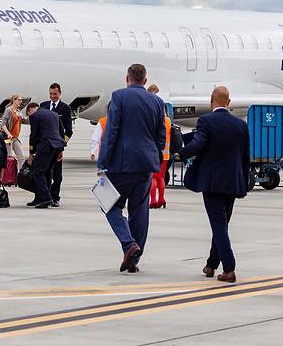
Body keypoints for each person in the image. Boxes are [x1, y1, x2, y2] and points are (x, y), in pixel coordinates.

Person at [97, 64, 166, 273]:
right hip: (145, 165)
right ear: (145, 81)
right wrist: (152, 156)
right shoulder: (157, 101)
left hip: (120, 164)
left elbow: (112, 131)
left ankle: (128, 245)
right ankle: (134, 260)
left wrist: (102, 163)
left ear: (127, 78)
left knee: (108, 205)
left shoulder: (119, 97)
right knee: (140, 212)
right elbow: (160, 136)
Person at [180, 86, 249, 283]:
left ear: (212, 100)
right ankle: (211, 264)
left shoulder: (206, 121)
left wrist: (180, 152)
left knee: (219, 226)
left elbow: (198, 144)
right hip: (233, 182)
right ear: (228, 102)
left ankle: (229, 268)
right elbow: (245, 157)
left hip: (212, 182)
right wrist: (243, 184)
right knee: (222, 225)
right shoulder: (240, 125)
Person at [26, 102, 66, 209]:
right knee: (47, 171)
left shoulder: (34, 116)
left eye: (28, 114)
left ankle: (45, 198)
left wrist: (31, 153)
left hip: (46, 145)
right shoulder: (54, 114)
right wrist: (61, 150)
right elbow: (61, 132)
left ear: (30, 110)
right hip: (57, 145)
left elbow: (33, 135)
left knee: (38, 172)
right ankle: (42, 198)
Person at [40, 83, 73, 206]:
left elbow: (69, 130)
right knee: (43, 173)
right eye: (51, 94)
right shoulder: (43, 106)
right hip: (44, 146)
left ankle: (55, 197)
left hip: (56, 147)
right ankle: (44, 196)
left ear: (60, 93)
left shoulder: (65, 108)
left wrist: (61, 146)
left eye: (55, 94)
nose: (52, 96)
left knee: (57, 175)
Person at [150, 108, 172, 209]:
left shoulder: (155, 121)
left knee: (153, 178)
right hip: (166, 155)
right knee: (161, 178)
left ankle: (153, 200)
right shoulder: (168, 121)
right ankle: (162, 199)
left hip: (155, 154)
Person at [0, 94, 25, 161]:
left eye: (21, 100)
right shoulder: (9, 110)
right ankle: (7, 171)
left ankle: (20, 171)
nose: (21, 101)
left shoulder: (18, 111)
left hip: (15, 137)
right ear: (14, 100)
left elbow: (25, 119)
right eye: (19, 100)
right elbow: (3, 124)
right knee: (9, 156)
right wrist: (8, 134)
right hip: (8, 137)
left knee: (21, 157)